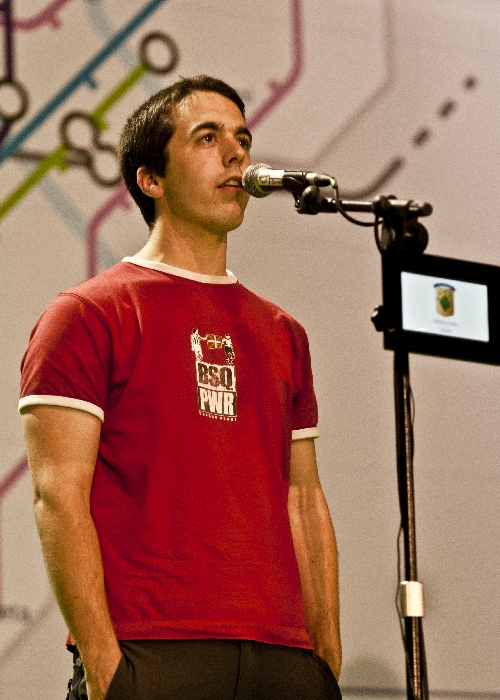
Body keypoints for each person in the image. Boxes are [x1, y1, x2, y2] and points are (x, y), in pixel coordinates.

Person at [19, 75, 342, 700]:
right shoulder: (88, 314)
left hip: (284, 658)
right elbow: (58, 494)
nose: (236, 154)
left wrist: (324, 655)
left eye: (242, 138)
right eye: (208, 137)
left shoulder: (284, 332)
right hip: (153, 648)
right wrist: (106, 668)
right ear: (151, 179)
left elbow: (304, 499)